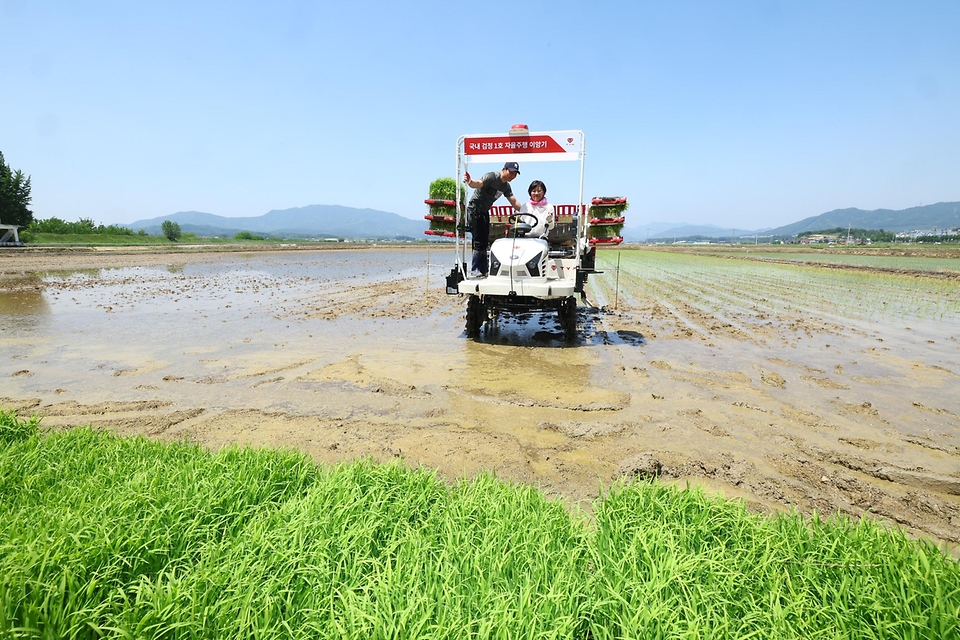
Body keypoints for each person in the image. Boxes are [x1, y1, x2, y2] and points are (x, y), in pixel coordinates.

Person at [463, 161, 522, 277]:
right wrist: (470, 181)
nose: (513, 176)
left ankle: (484, 270)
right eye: (511, 172)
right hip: (475, 209)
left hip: (484, 211)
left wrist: (528, 209)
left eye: (515, 174)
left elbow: (513, 201)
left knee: (485, 240)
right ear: (504, 169)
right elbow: (479, 183)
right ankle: (475, 269)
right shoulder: (492, 177)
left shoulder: (506, 187)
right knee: (479, 240)